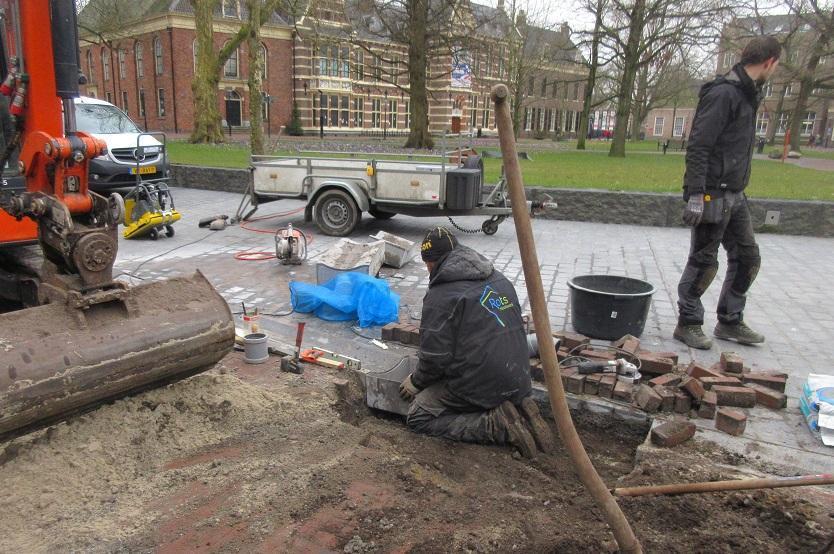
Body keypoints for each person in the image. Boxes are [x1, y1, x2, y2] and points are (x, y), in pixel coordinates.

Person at [398, 226, 553, 458]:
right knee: (470, 373)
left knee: (419, 416)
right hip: (519, 379)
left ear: (432, 262)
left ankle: (496, 424)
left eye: (427, 264)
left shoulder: (442, 295)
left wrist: (416, 381)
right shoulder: (498, 279)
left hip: (483, 384)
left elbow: (435, 358)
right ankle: (519, 408)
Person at [675, 36, 781, 350]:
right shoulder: (724, 93)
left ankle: (730, 321)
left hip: (735, 194)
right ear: (769, 62)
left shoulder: (748, 93)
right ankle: (688, 323)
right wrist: (696, 193)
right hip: (711, 194)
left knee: (748, 257)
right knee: (704, 262)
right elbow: (699, 145)